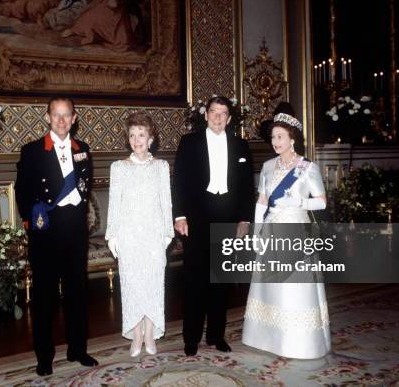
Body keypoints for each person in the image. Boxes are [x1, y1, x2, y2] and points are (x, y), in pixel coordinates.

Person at [15, 97, 98, 376]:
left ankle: (78, 349)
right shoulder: (33, 151)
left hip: (75, 230)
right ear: (48, 117)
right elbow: (22, 192)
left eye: (67, 116)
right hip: (47, 231)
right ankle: (44, 357)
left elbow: (85, 188)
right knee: (45, 298)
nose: (62, 121)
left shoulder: (82, 150)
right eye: (56, 115)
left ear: (74, 118)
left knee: (77, 292)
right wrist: (32, 223)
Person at [241, 112, 331, 359]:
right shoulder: (268, 166)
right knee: (271, 288)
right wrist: (257, 230)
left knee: (293, 288)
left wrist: (300, 201)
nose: (275, 141)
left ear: (292, 139)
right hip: (271, 232)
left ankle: (299, 343)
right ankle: (267, 338)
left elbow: (322, 203)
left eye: (280, 136)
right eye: (273, 137)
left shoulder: (307, 168)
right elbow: (261, 200)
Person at [172, 96, 255, 356]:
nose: (218, 117)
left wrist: (244, 219)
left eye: (223, 113)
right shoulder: (189, 142)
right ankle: (191, 338)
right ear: (205, 115)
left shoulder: (241, 146)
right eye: (214, 112)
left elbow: (245, 188)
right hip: (197, 218)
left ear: (230, 118)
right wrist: (180, 216)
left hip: (228, 218)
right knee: (195, 280)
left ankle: (216, 336)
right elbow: (180, 182)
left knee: (221, 280)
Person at [105, 113, 173, 357]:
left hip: (154, 235)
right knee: (132, 286)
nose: (137, 140)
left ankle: (150, 334)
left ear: (151, 138)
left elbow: (166, 202)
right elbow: (114, 203)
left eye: (141, 135)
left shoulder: (161, 167)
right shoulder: (119, 168)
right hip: (129, 235)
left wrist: (167, 234)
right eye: (132, 135)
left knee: (153, 284)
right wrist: (112, 236)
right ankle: (136, 336)